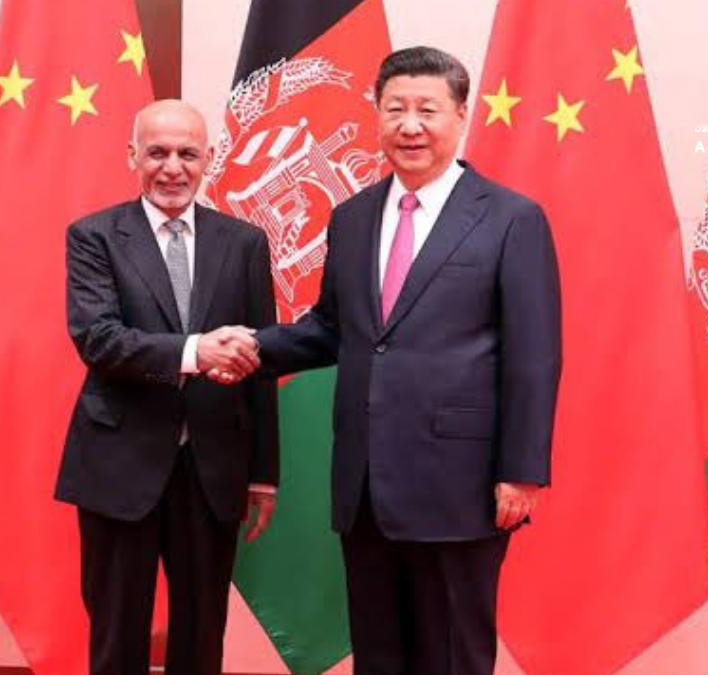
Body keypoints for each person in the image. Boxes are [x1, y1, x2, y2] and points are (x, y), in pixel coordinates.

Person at [216, 47, 562, 675]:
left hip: (460, 485)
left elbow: (533, 354)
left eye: (427, 110)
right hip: (366, 484)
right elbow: (333, 328)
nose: (410, 125)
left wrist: (522, 470)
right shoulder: (352, 218)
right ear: (376, 114)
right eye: (395, 108)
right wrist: (251, 349)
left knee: (450, 656)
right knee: (378, 656)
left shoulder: (511, 218)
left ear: (461, 115)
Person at [55, 99, 277, 675]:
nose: (172, 167)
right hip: (119, 464)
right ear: (133, 155)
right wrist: (194, 352)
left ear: (209, 159)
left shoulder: (245, 243)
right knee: (117, 633)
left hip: (213, 468)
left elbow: (261, 362)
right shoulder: (95, 236)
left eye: (187, 154)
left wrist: (263, 473)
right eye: (157, 152)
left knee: (202, 637)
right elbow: (99, 339)